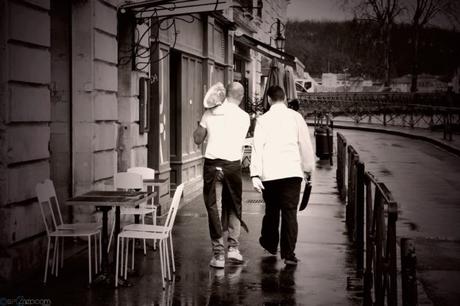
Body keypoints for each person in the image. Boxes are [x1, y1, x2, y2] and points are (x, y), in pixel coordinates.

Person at [250, 85, 315, 266]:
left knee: (271, 210)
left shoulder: (263, 120)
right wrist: (308, 169)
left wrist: (255, 174)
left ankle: (270, 244)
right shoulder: (296, 117)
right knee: (289, 213)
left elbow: (257, 148)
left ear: (269, 99)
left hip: (270, 174)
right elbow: (305, 145)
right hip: (292, 173)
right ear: (285, 98)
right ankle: (289, 254)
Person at [193, 82, 250, 269]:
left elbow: (197, 139)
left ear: (225, 94)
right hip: (232, 166)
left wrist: (201, 121)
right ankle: (233, 248)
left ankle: (218, 255)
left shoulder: (210, 112)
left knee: (213, 207)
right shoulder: (244, 117)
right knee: (234, 204)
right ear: (241, 97)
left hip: (212, 165)